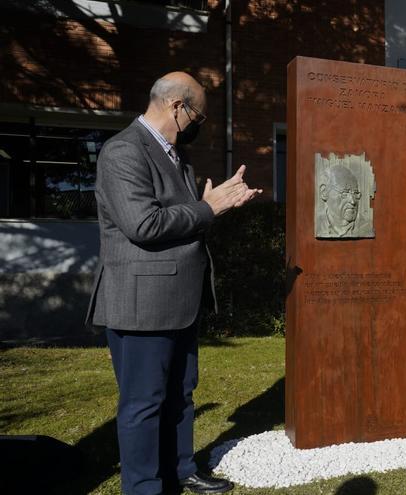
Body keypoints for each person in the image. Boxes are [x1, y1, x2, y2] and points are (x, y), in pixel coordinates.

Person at [85, 72, 261, 495]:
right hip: (141, 301)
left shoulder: (176, 156)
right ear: (177, 106)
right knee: (143, 403)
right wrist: (206, 208)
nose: (199, 124)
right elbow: (143, 224)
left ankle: (182, 470)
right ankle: (144, 487)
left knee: (181, 394)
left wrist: (216, 205)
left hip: (179, 298)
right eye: (198, 114)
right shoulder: (124, 151)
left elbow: (182, 224)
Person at [317, 165, 362, 237]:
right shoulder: (317, 223)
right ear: (324, 193)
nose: (353, 201)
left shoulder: (365, 226)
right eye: (345, 193)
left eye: (355, 193)